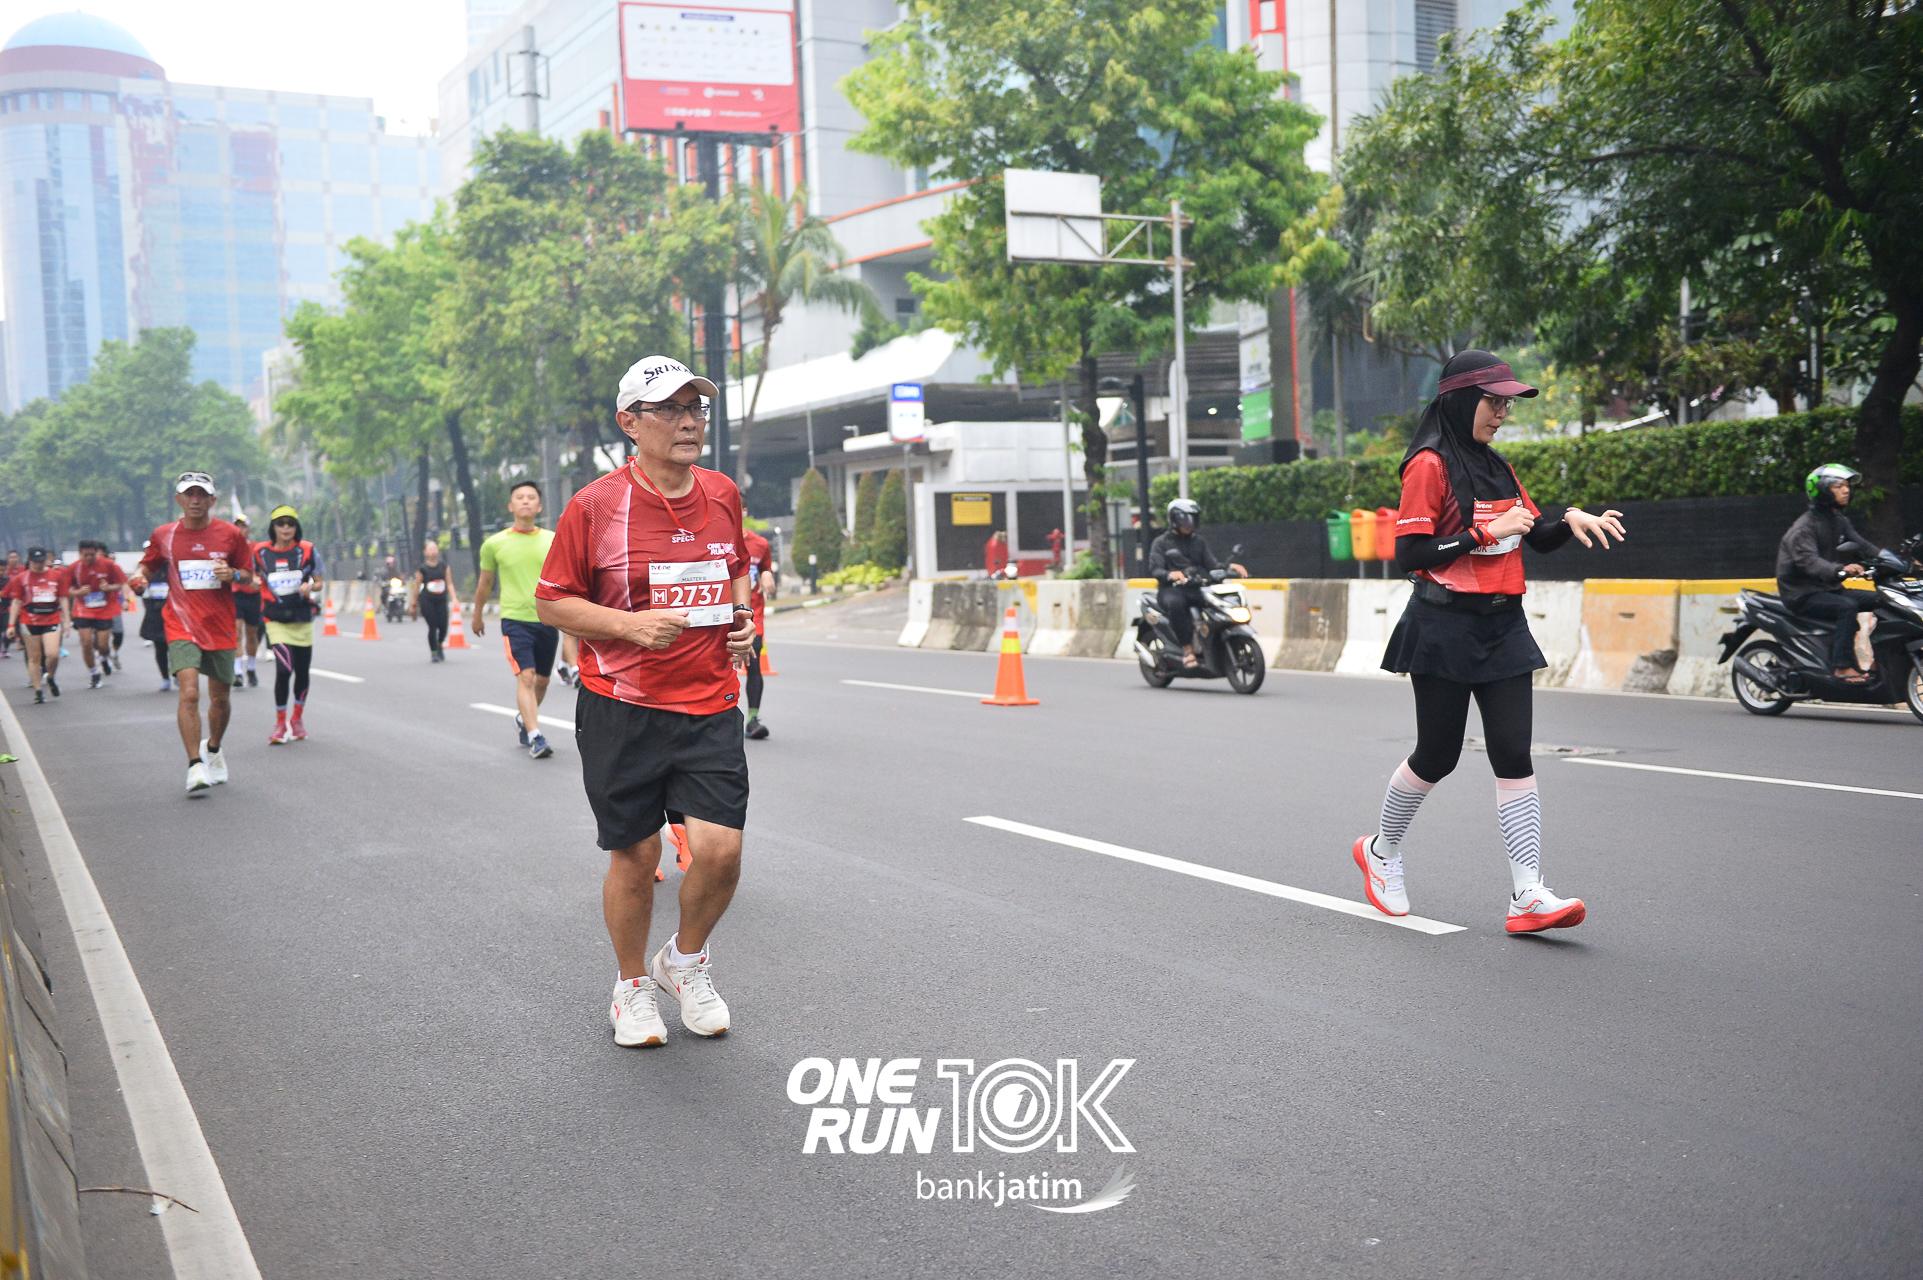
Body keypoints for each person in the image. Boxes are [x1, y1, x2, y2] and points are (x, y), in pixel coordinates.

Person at [1355, 351, 1627, 934]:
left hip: (1503, 626)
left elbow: (1532, 535)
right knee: (1438, 755)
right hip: (1442, 626)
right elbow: (1410, 555)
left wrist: (1569, 521)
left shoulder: (1497, 465)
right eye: (1492, 402)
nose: (1502, 413)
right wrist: (1481, 532)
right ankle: (1380, 852)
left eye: (1507, 404)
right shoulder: (1427, 466)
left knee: (1513, 752)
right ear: (1459, 400)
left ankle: (1527, 894)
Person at [535, 355, 755, 1047]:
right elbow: (552, 603)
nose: (689, 422)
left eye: (696, 408)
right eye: (670, 410)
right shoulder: (595, 506)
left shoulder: (721, 492)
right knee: (635, 854)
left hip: (710, 701)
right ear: (630, 423)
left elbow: (736, 568)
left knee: (720, 851)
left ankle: (684, 962)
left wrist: (743, 620)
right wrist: (629, 627)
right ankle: (631, 986)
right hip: (622, 705)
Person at [130, 472, 255, 794]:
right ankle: (194, 765)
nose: (195, 500)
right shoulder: (165, 535)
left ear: (213, 500)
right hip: (181, 623)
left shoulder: (230, 535)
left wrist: (233, 574)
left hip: (220, 626)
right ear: (179, 499)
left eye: (202, 495)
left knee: (220, 699)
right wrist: (139, 579)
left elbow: (249, 575)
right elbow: (147, 566)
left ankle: (213, 749)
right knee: (189, 693)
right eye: (189, 494)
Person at [471, 481, 558, 759]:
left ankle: (523, 719)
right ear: (511, 506)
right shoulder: (494, 544)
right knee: (527, 677)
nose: (525, 501)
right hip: (515, 619)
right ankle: (535, 737)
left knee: (542, 681)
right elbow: (485, 583)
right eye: (519, 497)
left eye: (531, 497)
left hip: (547, 618)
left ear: (539, 507)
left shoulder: (553, 540)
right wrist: (477, 614)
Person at [1777, 465, 1887, 682]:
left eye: (1847, 486)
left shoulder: (1838, 520)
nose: (1846, 490)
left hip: (1828, 588)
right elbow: (1808, 561)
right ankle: (1842, 667)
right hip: (1802, 594)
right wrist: (1839, 570)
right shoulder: (1804, 527)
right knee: (1847, 607)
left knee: (1882, 600)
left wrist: (1897, 561)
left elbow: (1862, 545)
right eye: (1838, 486)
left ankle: (1881, 660)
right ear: (1822, 491)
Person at [1149, 498, 1248, 668]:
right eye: (1186, 519)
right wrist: (1171, 574)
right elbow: (1155, 569)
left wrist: (1230, 567)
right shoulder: (1161, 543)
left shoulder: (1199, 542)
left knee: (1217, 604)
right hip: (1171, 590)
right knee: (1176, 604)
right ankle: (1188, 649)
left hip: (1195, 588)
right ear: (1174, 520)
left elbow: (1212, 565)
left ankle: (1211, 643)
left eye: (1193, 519)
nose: (1190, 524)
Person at [254, 506, 323, 744]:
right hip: (275, 619)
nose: (285, 528)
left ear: (296, 527)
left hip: (301, 618)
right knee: (284, 669)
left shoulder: (307, 550)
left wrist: (310, 586)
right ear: (272, 527)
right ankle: (280, 722)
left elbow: (319, 582)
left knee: (302, 672)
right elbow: (251, 576)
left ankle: (297, 718)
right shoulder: (260, 552)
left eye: (290, 524)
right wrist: (253, 582)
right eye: (280, 523)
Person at [4, 547, 69, 703]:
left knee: (52, 654)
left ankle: (51, 677)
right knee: (34, 657)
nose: (38, 565)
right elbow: (17, 601)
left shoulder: (56, 575)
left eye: (41, 562)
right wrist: (11, 624)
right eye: (35, 562)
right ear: (29, 560)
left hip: (52, 618)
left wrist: (67, 620)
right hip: (30, 620)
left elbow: (63, 598)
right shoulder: (21, 578)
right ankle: (38, 690)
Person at [67, 540, 129, 688]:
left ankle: (103, 658)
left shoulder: (109, 565)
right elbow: (65, 590)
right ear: (80, 554)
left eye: (92, 555)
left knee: (103, 645)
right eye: (85, 555)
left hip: (104, 609)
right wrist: (78, 592)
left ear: (97, 553)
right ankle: (94, 673)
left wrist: (110, 589)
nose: (89, 558)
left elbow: (122, 583)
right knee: (87, 643)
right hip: (83, 609)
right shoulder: (74, 568)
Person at [742, 525, 776, 739]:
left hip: (753, 615)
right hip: (719, 615)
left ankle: (752, 720)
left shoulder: (760, 543)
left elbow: (765, 567)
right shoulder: (714, 537)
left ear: (743, 511)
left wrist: (767, 575)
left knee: (754, 665)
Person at [230, 512, 263, 689]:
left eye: (243, 526)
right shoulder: (228, 548)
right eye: (236, 526)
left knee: (252, 634)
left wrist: (258, 580)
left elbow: (264, 569)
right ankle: (238, 672)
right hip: (235, 594)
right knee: (237, 633)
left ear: (249, 529)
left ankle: (251, 667)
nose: (240, 529)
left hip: (253, 595)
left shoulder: (256, 548)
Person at [409, 538, 452, 662]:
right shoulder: (422, 569)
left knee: (443, 626)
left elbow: (449, 583)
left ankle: (440, 644)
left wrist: (454, 599)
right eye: (430, 549)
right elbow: (417, 587)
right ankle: (434, 652)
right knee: (432, 626)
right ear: (425, 553)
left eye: (435, 549)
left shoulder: (444, 566)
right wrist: (413, 604)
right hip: (427, 600)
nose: (433, 551)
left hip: (441, 600)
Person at [135, 559, 173, 691]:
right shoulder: (146, 569)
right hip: (155, 613)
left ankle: (177, 672)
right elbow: (137, 589)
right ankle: (165, 678)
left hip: (174, 613)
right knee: (160, 647)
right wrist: (138, 586)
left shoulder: (174, 565)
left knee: (176, 646)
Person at [0, 550, 22, 659]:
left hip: (5, 609)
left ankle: (4, 649)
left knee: (8, 630)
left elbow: (13, 594)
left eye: (3, 570)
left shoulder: (9, 580)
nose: (1, 572)